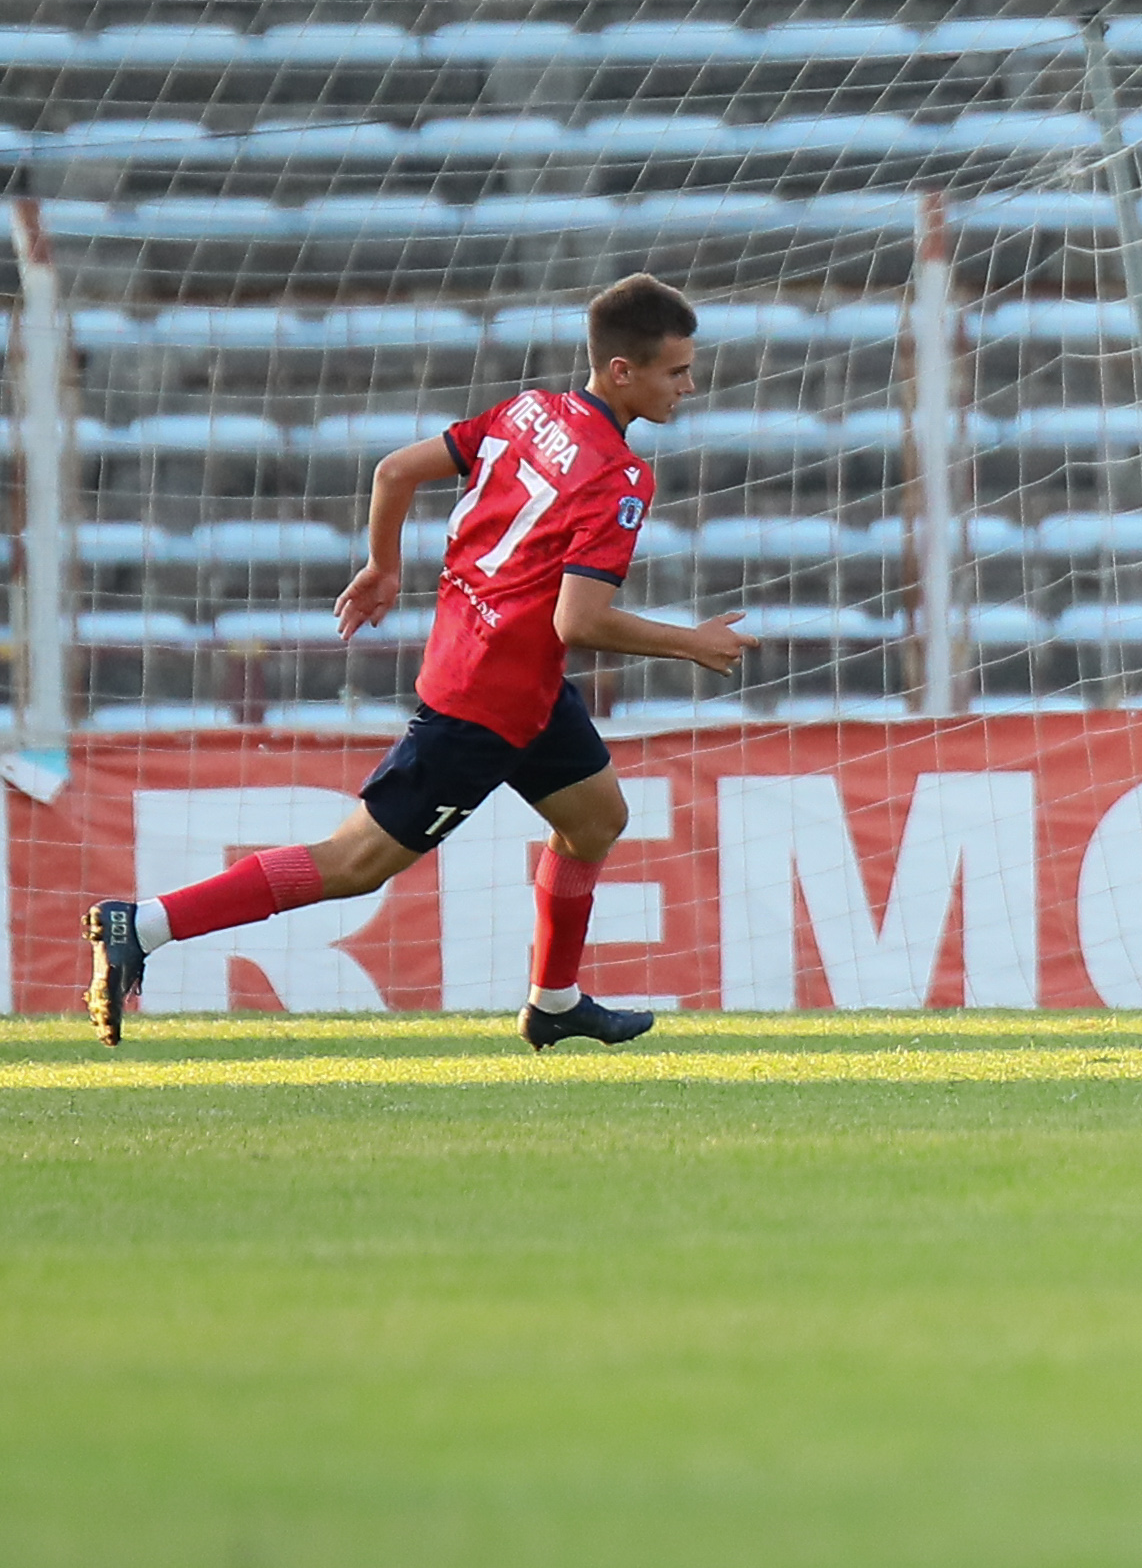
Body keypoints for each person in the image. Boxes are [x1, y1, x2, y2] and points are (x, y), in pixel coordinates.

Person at [82, 273, 757, 1049]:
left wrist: (382, 564)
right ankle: (144, 923)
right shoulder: (620, 476)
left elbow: (394, 472)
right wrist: (692, 641)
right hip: (485, 704)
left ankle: (555, 999)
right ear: (622, 370)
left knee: (597, 818)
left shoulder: (527, 410)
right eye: (677, 371)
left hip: (506, 669)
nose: (689, 386)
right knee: (355, 862)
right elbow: (579, 619)